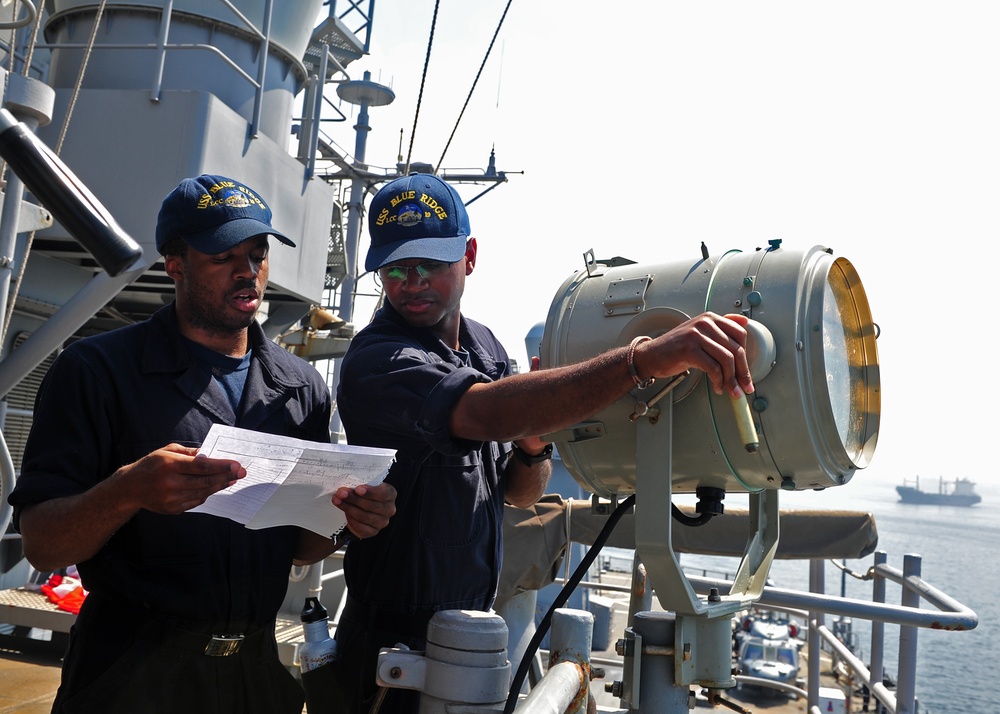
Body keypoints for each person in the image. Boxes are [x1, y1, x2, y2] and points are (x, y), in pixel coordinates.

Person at [333, 172, 755, 712]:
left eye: (430, 265)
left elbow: (520, 493)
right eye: (395, 269)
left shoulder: (483, 345)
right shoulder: (377, 359)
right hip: (390, 649)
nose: (412, 282)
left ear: (469, 255)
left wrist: (534, 446)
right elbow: (482, 412)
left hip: (474, 630)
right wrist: (643, 360)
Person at [6, 174, 397, 714]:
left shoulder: (301, 387)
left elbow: (302, 550)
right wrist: (128, 491)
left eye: (258, 253)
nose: (247, 270)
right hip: (130, 678)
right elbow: (43, 546)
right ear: (176, 263)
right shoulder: (96, 372)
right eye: (223, 255)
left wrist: (348, 520)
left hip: (255, 678)